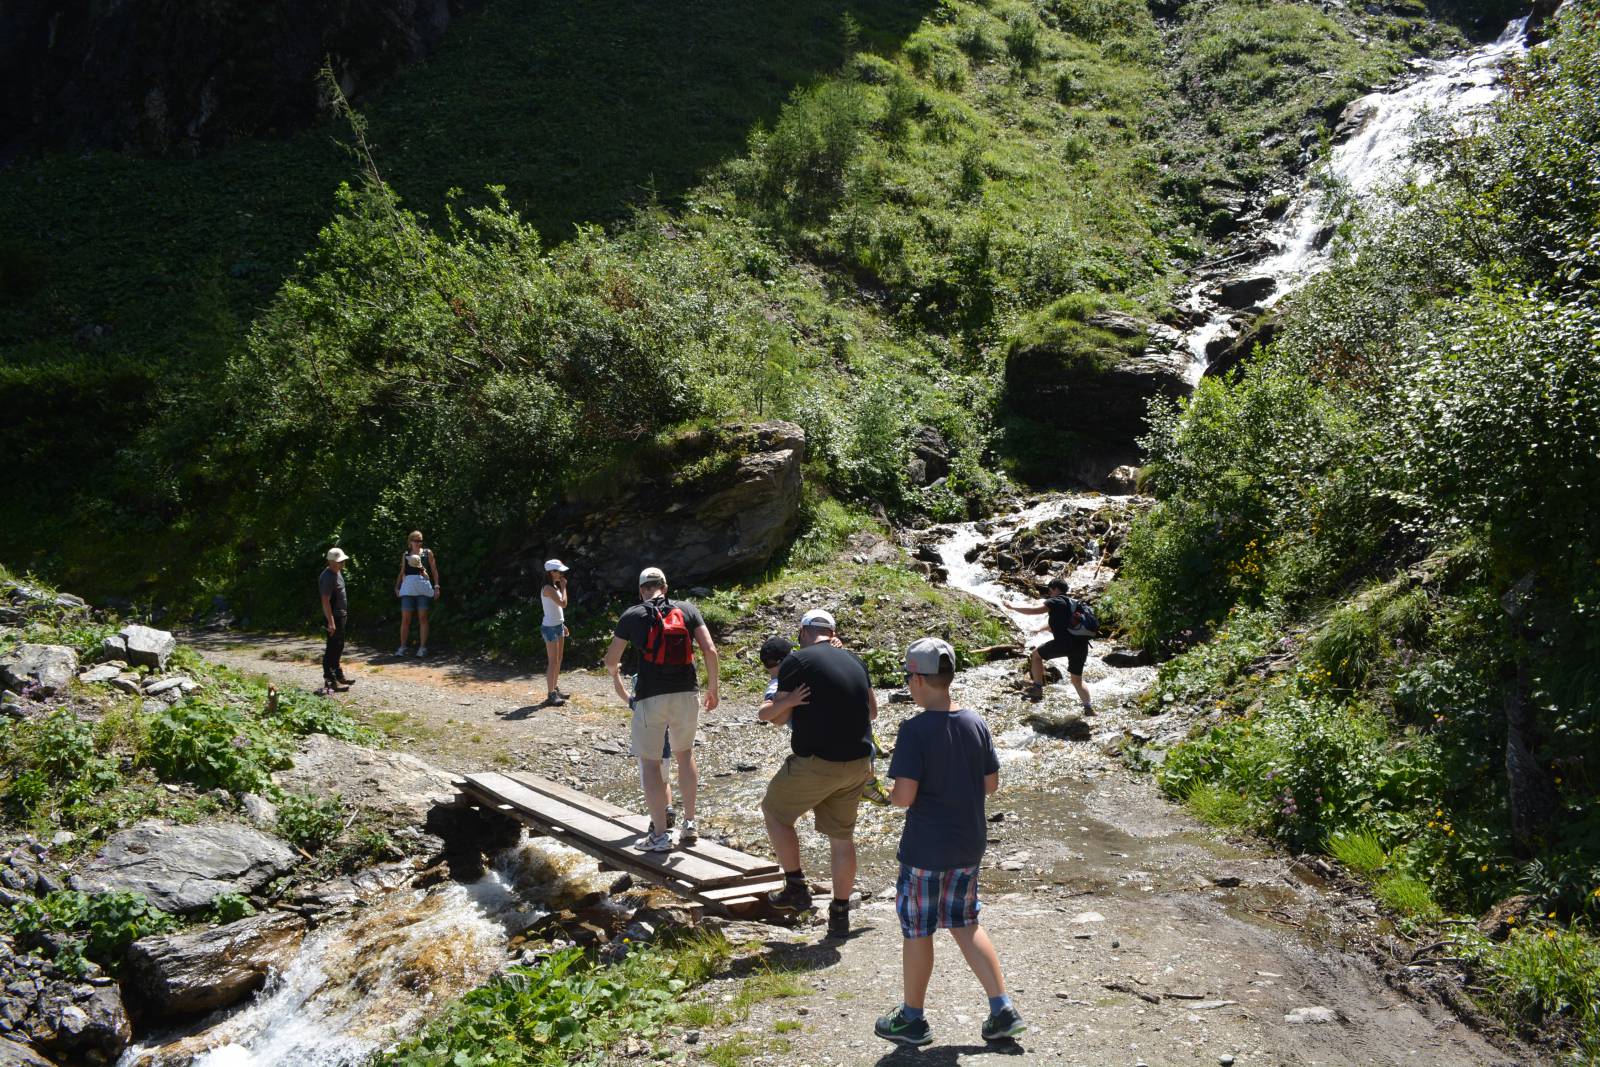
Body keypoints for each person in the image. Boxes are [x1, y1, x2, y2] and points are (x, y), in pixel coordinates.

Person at [875, 637, 1024, 1048]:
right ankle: (1003, 1009)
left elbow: (904, 797)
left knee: (918, 930)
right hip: (968, 844)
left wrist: (885, 793)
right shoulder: (975, 722)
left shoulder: (914, 730)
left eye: (908, 678)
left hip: (925, 850)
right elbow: (990, 784)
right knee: (965, 922)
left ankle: (912, 1019)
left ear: (918, 680)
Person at [761, 608, 877, 939]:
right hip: (858, 765)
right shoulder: (855, 660)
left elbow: (777, 715)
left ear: (803, 632)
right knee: (841, 839)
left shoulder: (797, 661)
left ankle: (796, 886)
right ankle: (839, 914)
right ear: (832, 632)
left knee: (774, 812)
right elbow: (872, 711)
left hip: (818, 762)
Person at [603, 567, 720, 852]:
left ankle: (659, 835)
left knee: (652, 764)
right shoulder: (688, 609)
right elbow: (710, 650)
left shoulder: (632, 615)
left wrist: (615, 673)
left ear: (641, 590)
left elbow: (611, 659)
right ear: (665, 587)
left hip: (650, 697)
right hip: (687, 693)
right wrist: (713, 688)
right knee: (685, 755)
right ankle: (690, 823)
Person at [1007, 578, 1093, 712]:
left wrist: (1012, 607)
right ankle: (1088, 708)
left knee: (1036, 655)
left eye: (1050, 590)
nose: (1049, 593)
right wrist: (1039, 629)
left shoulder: (1056, 601)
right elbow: (1059, 623)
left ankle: (1037, 688)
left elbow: (1034, 610)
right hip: (1081, 645)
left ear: (1055, 589)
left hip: (1064, 643)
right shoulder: (1074, 604)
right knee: (1077, 680)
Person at [394, 531, 441, 657]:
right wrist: (397, 587)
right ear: (410, 542)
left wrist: (436, 586)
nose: (418, 543)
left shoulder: (427, 553)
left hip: (423, 589)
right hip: (408, 589)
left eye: (420, 540)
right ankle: (402, 647)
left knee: (423, 617)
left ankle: (422, 648)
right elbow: (402, 572)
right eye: (416, 540)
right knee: (405, 618)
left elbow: (434, 570)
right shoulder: (405, 555)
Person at [319, 548, 355, 695]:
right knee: (332, 648)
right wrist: (331, 621)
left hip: (341, 615)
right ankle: (330, 681)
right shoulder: (327, 576)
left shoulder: (337, 572)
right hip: (333, 617)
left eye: (343, 560)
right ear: (331, 562)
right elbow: (325, 600)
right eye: (340, 561)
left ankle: (338, 675)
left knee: (339, 646)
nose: (343, 563)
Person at [540, 559, 570, 706]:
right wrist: (564, 587)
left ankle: (555, 688)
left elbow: (555, 610)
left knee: (559, 659)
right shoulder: (548, 589)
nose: (561, 574)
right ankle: (551, 694)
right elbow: (563, 604)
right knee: (553, 661)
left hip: (558, 626)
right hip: (550, 628)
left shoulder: (554, 587)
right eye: (558, 571)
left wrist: (562, 624)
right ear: (551, 573)